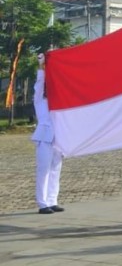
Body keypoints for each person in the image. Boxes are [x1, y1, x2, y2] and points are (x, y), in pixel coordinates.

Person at [32, 54, 64, 215]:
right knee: (43, 170)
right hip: (44, 137)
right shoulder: (39, 100)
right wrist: (41, 66)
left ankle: (53, 200)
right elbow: (38, 84)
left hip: (57, 138)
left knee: (55, 170)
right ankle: (42, 203)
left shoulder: (59, 100)